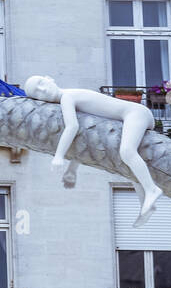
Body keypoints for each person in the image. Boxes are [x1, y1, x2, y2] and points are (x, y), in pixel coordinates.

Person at [22, 75, 163, 225]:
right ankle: (145, 205)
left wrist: (59, 156)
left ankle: (151, 189)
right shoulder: (68, 96)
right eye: (37, 92)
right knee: (128, 164)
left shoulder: (67, 97)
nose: (43, 90)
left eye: (41, 83)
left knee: (127, 152)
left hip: (135, 113)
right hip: (131, 116)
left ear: (49, 79)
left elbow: (72, 127)